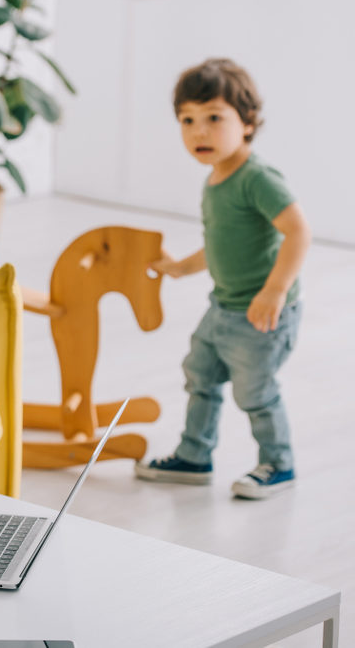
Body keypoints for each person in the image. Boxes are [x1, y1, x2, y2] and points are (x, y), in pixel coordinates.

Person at [134, 58, 311, 500]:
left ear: (247, 123)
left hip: (262, 315)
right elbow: (220, 246)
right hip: (223, 307)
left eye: (214, 118)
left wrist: (275, 290)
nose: (199, 132)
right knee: (200, 375)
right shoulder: (215, 179)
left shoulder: (257, 178)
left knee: (255, 392)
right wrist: (180, 268)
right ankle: (195, 456)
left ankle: (279, 463)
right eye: (187, 120)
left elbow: (299, 232)